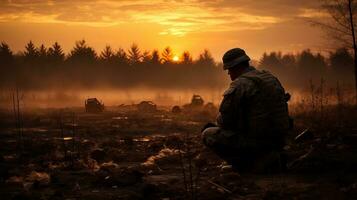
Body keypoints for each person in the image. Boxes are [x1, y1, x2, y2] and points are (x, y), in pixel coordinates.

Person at [201, 48, 290, 172]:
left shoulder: (240, 84)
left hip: (257, 142)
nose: (228, 74)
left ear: (234, 67)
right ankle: (271, 156)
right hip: (279, 140)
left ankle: (249, 165)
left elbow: (226, 122)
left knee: (208, 133)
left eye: (228, 70)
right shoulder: (269, 77)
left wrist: (219, 124)